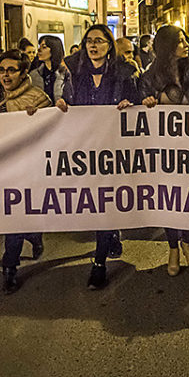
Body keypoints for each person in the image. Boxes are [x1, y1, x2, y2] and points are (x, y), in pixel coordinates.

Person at [55, 24, 140, 290]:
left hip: (114, 147)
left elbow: (138, 102)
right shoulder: (75, 74)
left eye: (100, 41)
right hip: (87, 148)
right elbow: (68, 103)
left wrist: (131, 105)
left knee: (106, 199)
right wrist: (60, 104)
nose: (93, 46)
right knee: (98, 202)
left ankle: (99, 263)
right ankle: (111, 234)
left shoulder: (124, 74)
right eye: (89, 41)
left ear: (109, 45)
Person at [0, 50, 51, 294]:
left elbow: (51, 130)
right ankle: (34, 236)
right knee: (7, 215)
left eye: (11, 70)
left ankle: (9, 267)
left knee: (13, 217)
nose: (5, 75)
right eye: (2, 70)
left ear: (24, 73)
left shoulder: (37, 98)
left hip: (24, 168)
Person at [138, 25, 189, 276]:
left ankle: (187, 242)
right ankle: (173, 248)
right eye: (179, 42)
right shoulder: (149, 76)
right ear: (167, 48)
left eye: (185, 40)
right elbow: (140, 111)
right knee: (169, 199)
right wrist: (147, 102)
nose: (186, 45)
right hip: (163, 151)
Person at [29, 35, 72, 103]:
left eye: (44, 47)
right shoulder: (34, 74)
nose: (39, 50)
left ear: (54, 49)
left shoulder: (65, 73)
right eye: (39, 46)